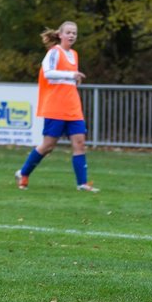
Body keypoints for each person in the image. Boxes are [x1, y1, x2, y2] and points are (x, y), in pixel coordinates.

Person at [16, 21, 99, 192]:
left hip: (73, 105)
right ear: (60, 35)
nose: (71, 36)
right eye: (68, 32)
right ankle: (24, 172)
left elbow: (66, 78)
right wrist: (71, 75)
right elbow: (48, 73)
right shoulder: (54, 52)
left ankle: (82, 184)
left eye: (74, 33)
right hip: (56, 105)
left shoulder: (74, 54)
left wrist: (74, 79)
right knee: (48, 145)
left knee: (80, 143)